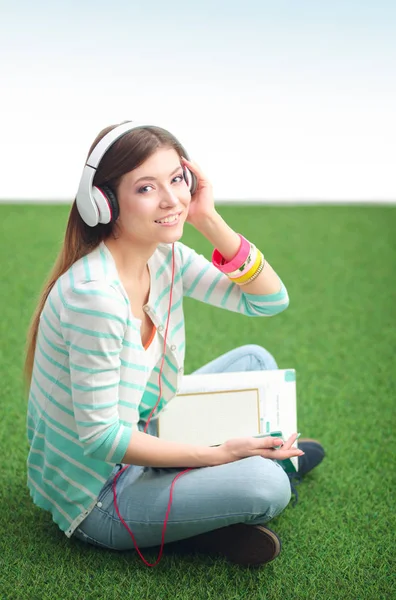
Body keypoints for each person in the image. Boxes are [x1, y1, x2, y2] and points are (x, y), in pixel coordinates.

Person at [24, 121, 325, 568]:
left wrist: (207, 218)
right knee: (268, 486)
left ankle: (212, 485)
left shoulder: (165, 257)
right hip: (100, 494)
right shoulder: (94, 298)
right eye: (147, 187)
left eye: (177, 180)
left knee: (254, 359)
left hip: (146, 422)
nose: (171, 201)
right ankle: (216, 508)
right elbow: (103, 438)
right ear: (104, 203)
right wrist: (218, 454)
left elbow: (268, 301)